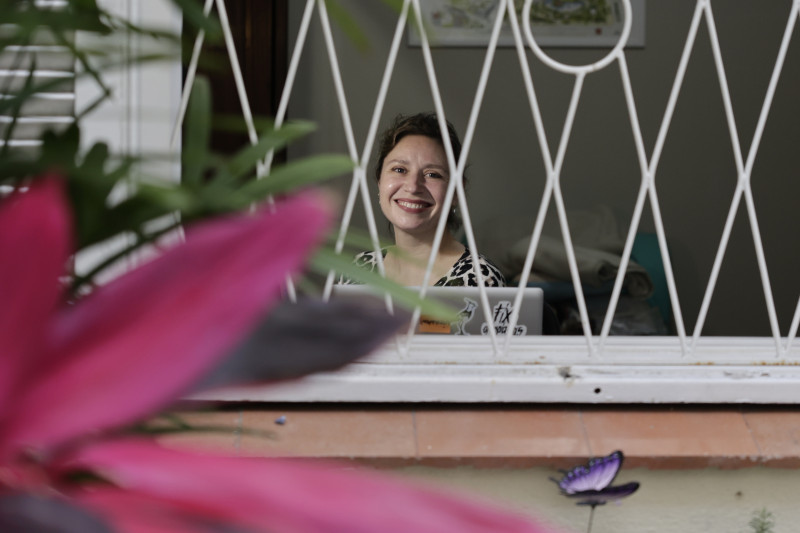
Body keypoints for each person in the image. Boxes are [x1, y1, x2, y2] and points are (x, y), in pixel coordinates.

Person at [340, 112, 505, 287]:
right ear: (380, 181)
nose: (413, 186)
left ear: (456, 192)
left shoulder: (480, 279)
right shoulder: (358, 270)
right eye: (399, 170)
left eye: (432, 174)